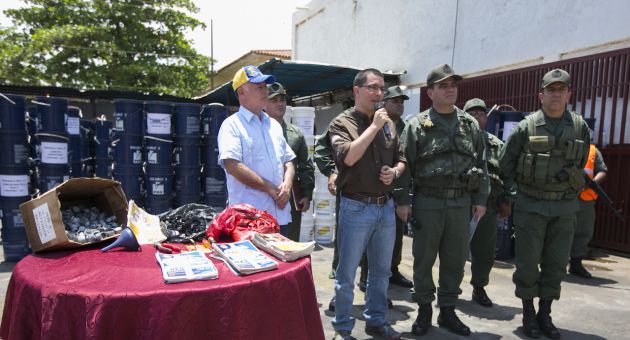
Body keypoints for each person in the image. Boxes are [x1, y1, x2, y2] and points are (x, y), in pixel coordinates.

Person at [398, 64, 489, 337]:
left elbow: (481, 162)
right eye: (443, 86)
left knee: (455, 259)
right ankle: (425, 309)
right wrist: (403, 201)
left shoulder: (469, 124)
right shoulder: (417, 125)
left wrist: (481, 198)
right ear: (430, 92)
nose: (450, 90)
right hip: (428, 202)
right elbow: (404, 164)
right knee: (423, 259)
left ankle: (448, 310)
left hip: (461, 203)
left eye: (453, 85)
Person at [499, 69, 590, 339]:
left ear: (569, 94)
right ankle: (528, 313)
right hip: (532, 207)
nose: (556, 94)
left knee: (556, 263)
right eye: (551, 90)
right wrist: (517, 197)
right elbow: (505, 166)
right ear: (541, 95)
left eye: (561, 90)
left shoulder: (579, 127)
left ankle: (545, 314)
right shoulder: (526, 127)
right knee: (527, 264)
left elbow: (581, 162)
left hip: (564, 209)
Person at [329, 68, 406, 340]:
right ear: (357, 91)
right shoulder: (341, 123)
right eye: (372, 87)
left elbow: (401, 158)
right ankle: (342, 328)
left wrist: (394, 172)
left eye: (381, 88)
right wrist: (374, 127)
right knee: (346, 274)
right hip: (356, 207)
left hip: (385, 207)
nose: (378, 93)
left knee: (381, 272)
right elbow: (347, 158)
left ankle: (376, 321)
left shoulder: (389, 123)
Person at [218, 65, 296, 233]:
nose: (265, 91)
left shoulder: (273, 125)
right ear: (241, 93)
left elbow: (288, 161)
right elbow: (232, 165)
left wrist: (287, 185)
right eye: (258, 87)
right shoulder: (232, 125)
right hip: (250, 222)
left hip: (280, 217)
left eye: (265, 87)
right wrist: (270, 188)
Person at [358, 85, 414, 290]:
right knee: (371, 239)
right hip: (375, 192)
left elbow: (406, 163)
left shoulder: (407, 128)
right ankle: (366, 276)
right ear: (384, 103)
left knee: (396, 238)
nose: (399, 105)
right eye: (395, 101)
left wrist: (404, 199)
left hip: (398, 191)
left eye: (402, 101)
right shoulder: (375, 124)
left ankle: (392, 270)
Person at [463, 98, 511, 307]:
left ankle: (479, 287)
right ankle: (449, 289)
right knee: (453, 251)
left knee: (485, 252)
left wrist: (506, 200)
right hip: (459, 205)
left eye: (480, 113)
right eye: (471, 113)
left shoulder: (496, 145)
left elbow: (507, 174)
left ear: (486, 118)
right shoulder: (457, 141)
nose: (476, 117)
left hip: (488, 208)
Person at [266, 82, 315, 241]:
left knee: (290, 241)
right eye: (274, 100)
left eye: (282, 100)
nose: (280, 104)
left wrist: (306, 194)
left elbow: (305, 166)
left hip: (290, 196)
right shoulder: (256, 131)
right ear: (264, 103)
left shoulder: (296, 134)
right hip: (264, 195)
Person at [569, 142, 607, 278]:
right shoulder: (564, 144)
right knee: (558, 228)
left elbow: (602, 170)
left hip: (585, 198)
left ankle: (576, 263)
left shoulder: (593, 150)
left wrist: (592, 183)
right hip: (564, 195)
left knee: (583, 231)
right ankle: (551, 263)